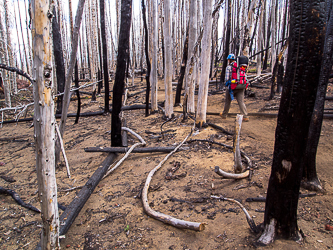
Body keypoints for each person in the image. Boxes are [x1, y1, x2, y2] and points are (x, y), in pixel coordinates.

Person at [220, 54, 249, 122]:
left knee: (228, 101)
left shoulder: (229, 67)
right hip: (241, 86)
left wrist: (227, 85)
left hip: (232, 87)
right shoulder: (241, 66)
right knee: (241, 101)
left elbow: (227, 78)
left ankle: (224, 115)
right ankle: (245, 116)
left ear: (229, 60)